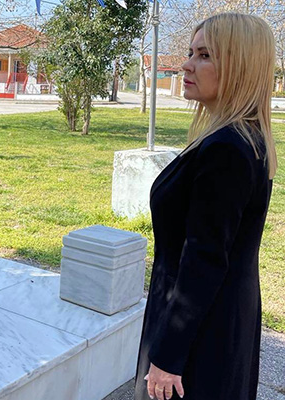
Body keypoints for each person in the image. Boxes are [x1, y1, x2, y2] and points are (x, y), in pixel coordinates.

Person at [135, 13, 277, 400]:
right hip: (218, 317)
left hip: (200, 333)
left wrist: (168, 357)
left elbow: (205, 258)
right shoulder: (243, 138)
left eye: (204, 55)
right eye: (190, 52)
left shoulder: (227, 149)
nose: (186, 65)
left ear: (239, 67)